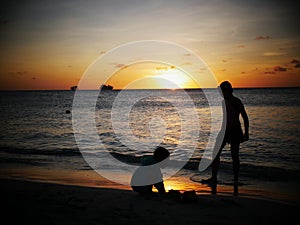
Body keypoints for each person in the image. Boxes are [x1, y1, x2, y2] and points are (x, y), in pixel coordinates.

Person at [202, 81, 249, 196]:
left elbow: (245, 117)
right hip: (224, 132)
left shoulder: (236, 102)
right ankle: (214, 177)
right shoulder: (223, 102)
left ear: (228, 90)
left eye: (223, 91)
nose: (221, 93)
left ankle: (236, 179)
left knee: (234, 155)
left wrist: (246, 133)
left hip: (235, 132)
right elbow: (225, 119)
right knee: (215, 154)